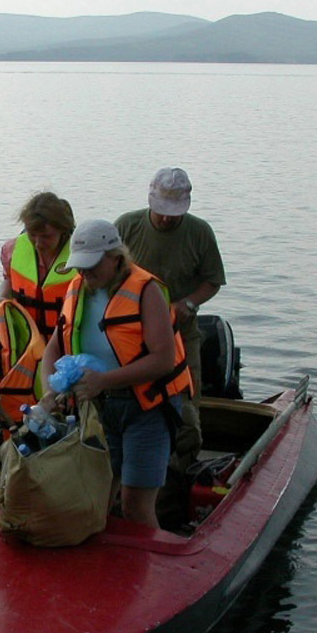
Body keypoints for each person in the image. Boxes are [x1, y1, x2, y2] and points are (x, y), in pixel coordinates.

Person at [39, 219, 194, 528]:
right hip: (99, 410)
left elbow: (163, 360)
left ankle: (147, 571)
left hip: (146, 410)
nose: (85, 274)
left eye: (92, 266)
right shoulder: (77, 289)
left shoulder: (147, 290)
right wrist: (50, 391)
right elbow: (52, 351)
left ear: (116, 256)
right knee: (96, 499)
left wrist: (103, 381)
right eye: (80, 267)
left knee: (135, 505)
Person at [114, 167, 225, 466]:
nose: (166, 218)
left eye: (173, 213)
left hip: (182, 336)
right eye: (162, 210)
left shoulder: (200, 233)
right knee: (127, 406)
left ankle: (182, 469)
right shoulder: (126, 226)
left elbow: (212, 281)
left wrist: (187, 303)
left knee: (186, 412)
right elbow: (107, 274)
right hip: (130, 338)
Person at [0, 191, 77, 340]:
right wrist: (2, 298)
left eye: (47, 236)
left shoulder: (83, 256)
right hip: (27, 344)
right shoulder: (11, 250)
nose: (39, 243)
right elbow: (8, 280)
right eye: (33, 235)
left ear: (63, 230)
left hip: (66, 343)